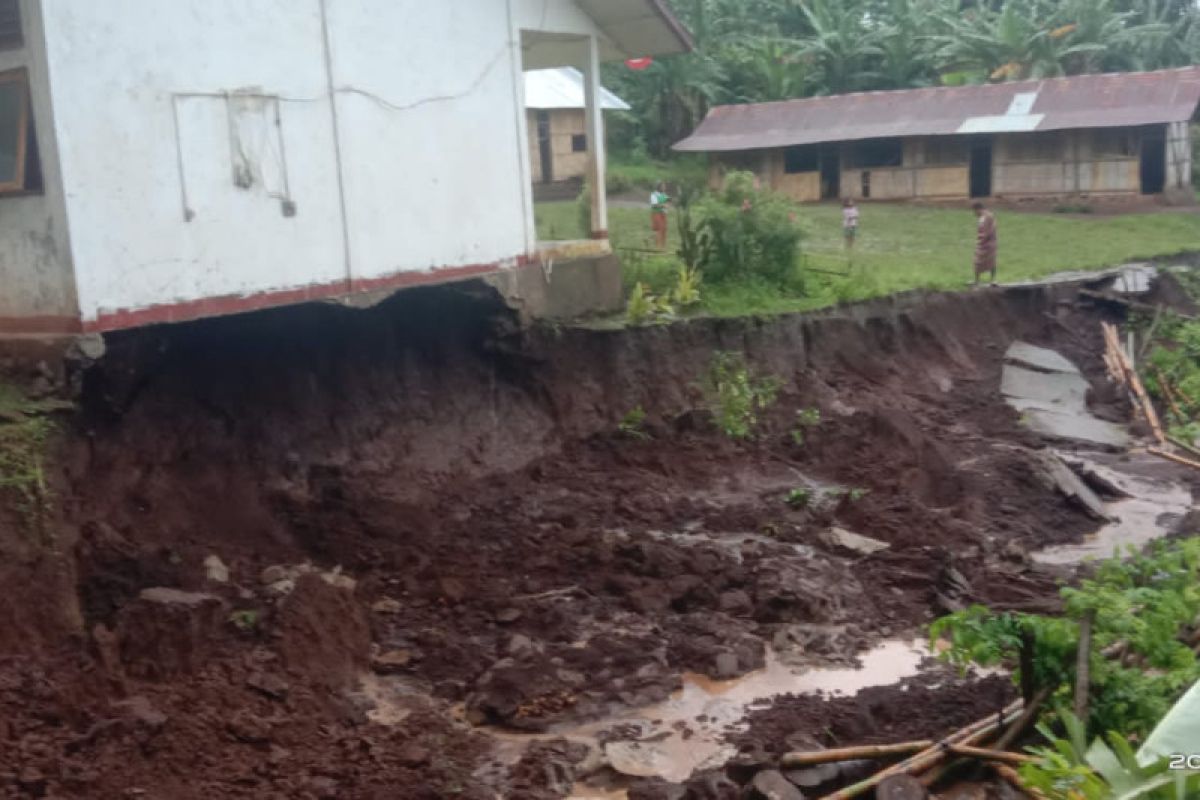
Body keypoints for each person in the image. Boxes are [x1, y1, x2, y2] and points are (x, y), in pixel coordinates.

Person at [973, 201, 997, 285]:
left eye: (975, 211)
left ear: (978, 209)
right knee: (977, 261)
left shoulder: (989, 216)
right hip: (981, 243)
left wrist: (986, 238)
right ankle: (977, 280)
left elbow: (992, 229)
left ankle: (992, 280)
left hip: (989, 243)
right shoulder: (981, 218)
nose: (975, 214)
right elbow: (980, 230)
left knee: (991, 261)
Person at [650, 182, 671, 250]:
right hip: (656, 213)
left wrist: (668, 203)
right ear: (659, 187)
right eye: (663, 186)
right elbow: (654, 205)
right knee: (658, 229)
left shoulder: (664, 194)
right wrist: (663, 205)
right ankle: (657, 246)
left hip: (663, 213)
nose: (664, 188)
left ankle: (663, 246)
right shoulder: (654, 195)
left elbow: (668, 200)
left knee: (664, 229)